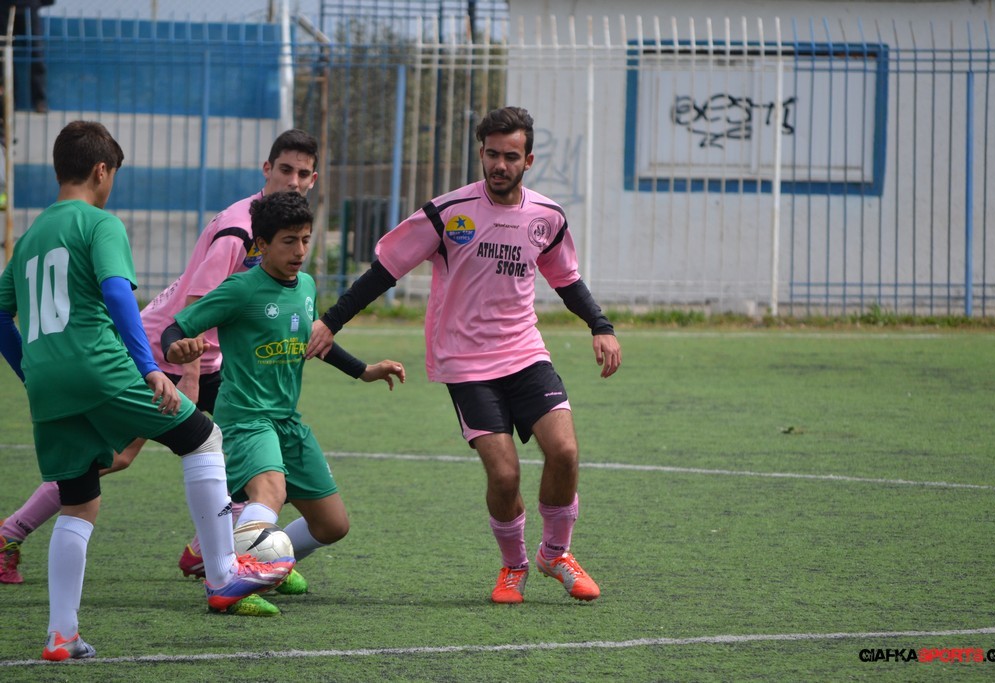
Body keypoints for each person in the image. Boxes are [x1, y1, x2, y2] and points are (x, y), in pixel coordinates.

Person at [0, 121, 294, 661]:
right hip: (101, 366)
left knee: (79, 501)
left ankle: (62, 635)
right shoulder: (100, 223)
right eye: (113, 174)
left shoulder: (30, 237)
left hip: (47, 384)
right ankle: (223, 575)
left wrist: (31, 372)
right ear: (101, 170)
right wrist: (147, 367)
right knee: (202, 438)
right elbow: (116, 294)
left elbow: (1, 314)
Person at [305, 106, 622, 604]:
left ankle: (555, 553)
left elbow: (566, 279)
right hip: (466, 363)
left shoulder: (547, 218)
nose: (500, 165)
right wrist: (331, 320)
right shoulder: (448, 213)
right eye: (492, 155)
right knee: (505, 474)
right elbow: (385, 271)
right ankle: (514, 565)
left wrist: (600, 326)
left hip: (525, 352)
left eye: (510, 156)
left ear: (528, 160)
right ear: (481, 154)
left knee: (564, 452)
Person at [163, 191, 406, 613]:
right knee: (270, 491)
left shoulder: (306, 286)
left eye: (306, 240)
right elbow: (176, 328)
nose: (300, 251)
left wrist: (365, 370)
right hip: (247, 418)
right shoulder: (241, 289)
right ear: (261, 244)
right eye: (289, 241)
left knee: (332, 524)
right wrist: (177, 347)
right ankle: (232, 582)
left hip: (287, 421)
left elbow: (313, 341)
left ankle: (262, 556)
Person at [0, 0, 53, 113]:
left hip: (29, 7)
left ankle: (39, 101)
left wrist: (37, 3)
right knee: (4, 56)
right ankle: (9, 101)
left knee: (37, 54)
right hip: (4, 7)